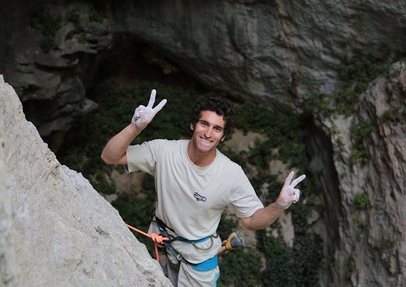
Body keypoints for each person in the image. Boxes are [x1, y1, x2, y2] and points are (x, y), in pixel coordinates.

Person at [101, 89, 306, 287]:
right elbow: (109, 156)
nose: (208, 133)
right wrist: (135, 127)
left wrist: (278, 206)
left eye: (217, 129)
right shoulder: (164, 151)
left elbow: (252, 221)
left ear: (223, 136)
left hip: (199, 258)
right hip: (163, 244)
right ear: (193, 124)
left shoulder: (231, 174)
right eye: (204, 124)